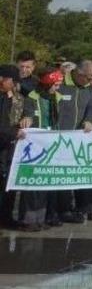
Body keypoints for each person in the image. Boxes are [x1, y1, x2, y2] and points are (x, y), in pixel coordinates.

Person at [18, 69, 64, 231]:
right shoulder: (32, 97)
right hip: (35, 144)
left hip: (51, 144)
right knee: (33, 183)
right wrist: (27, 117)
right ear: (47, 83)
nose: (57, 88)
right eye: (55, 85)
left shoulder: (57, 98)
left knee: (45, 183)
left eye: (59, 85)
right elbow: (28, 113)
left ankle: (41, 217)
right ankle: (28, 219)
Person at [54, 60, 92, 223]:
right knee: (58, 175)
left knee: (70, 174)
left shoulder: (89, 87)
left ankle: (68, 208)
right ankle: (57, 210)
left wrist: (89, 120)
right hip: (58, 137)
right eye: (89, 78)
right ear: (79, 75)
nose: (91, 81)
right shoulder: (62, 83)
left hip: (76, 139)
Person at [0, 65, 26, 229]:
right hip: (5, 139)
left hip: (7, 148)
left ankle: (6, 217)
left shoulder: (14, 98)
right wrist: (13, 133)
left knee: (7, 183)